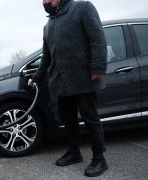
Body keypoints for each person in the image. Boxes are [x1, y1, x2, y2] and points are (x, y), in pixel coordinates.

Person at [28, 0, 108, 177]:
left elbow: (98, 38)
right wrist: (35, 78)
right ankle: (74, 152)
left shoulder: (82, 8)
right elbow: (46, 57)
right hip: (61, 82)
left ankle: (99, 159)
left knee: (90, 118)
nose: (45, 2)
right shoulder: (48, 25)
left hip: (83, 78)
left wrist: (98, 68)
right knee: (68, 120)